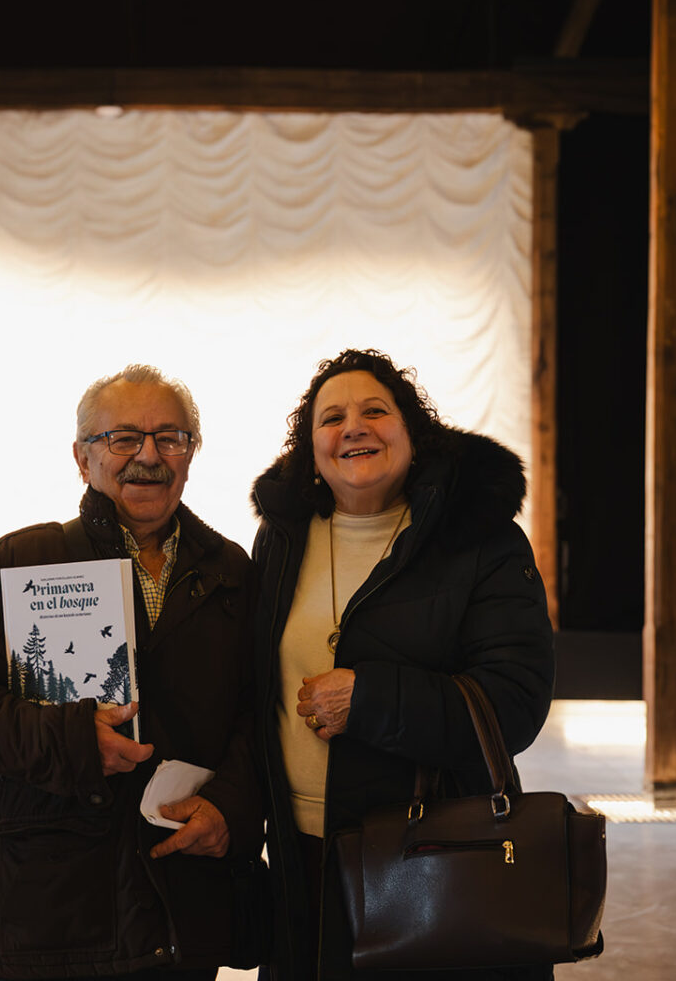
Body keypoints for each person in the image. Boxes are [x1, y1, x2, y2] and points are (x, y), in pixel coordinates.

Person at [0, 364, 265, 981]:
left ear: (191, 454)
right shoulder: (15, 564)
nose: (148, 457)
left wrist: (230, 809)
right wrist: (73, 740)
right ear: (83, 458)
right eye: (123, 438)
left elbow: (260, 713)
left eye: (170, 438)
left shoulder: (233, 573)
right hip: (48, 914)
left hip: (182, 909)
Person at [251, 349, 555, 981]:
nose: (353, 428)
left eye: (374, 411)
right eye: (331, 418)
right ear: (311, 450)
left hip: (431, 855)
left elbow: (515, 701)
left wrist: (368, 701)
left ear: (412, 433)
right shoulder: (282, 537)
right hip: (302, 855)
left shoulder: (483, 540)